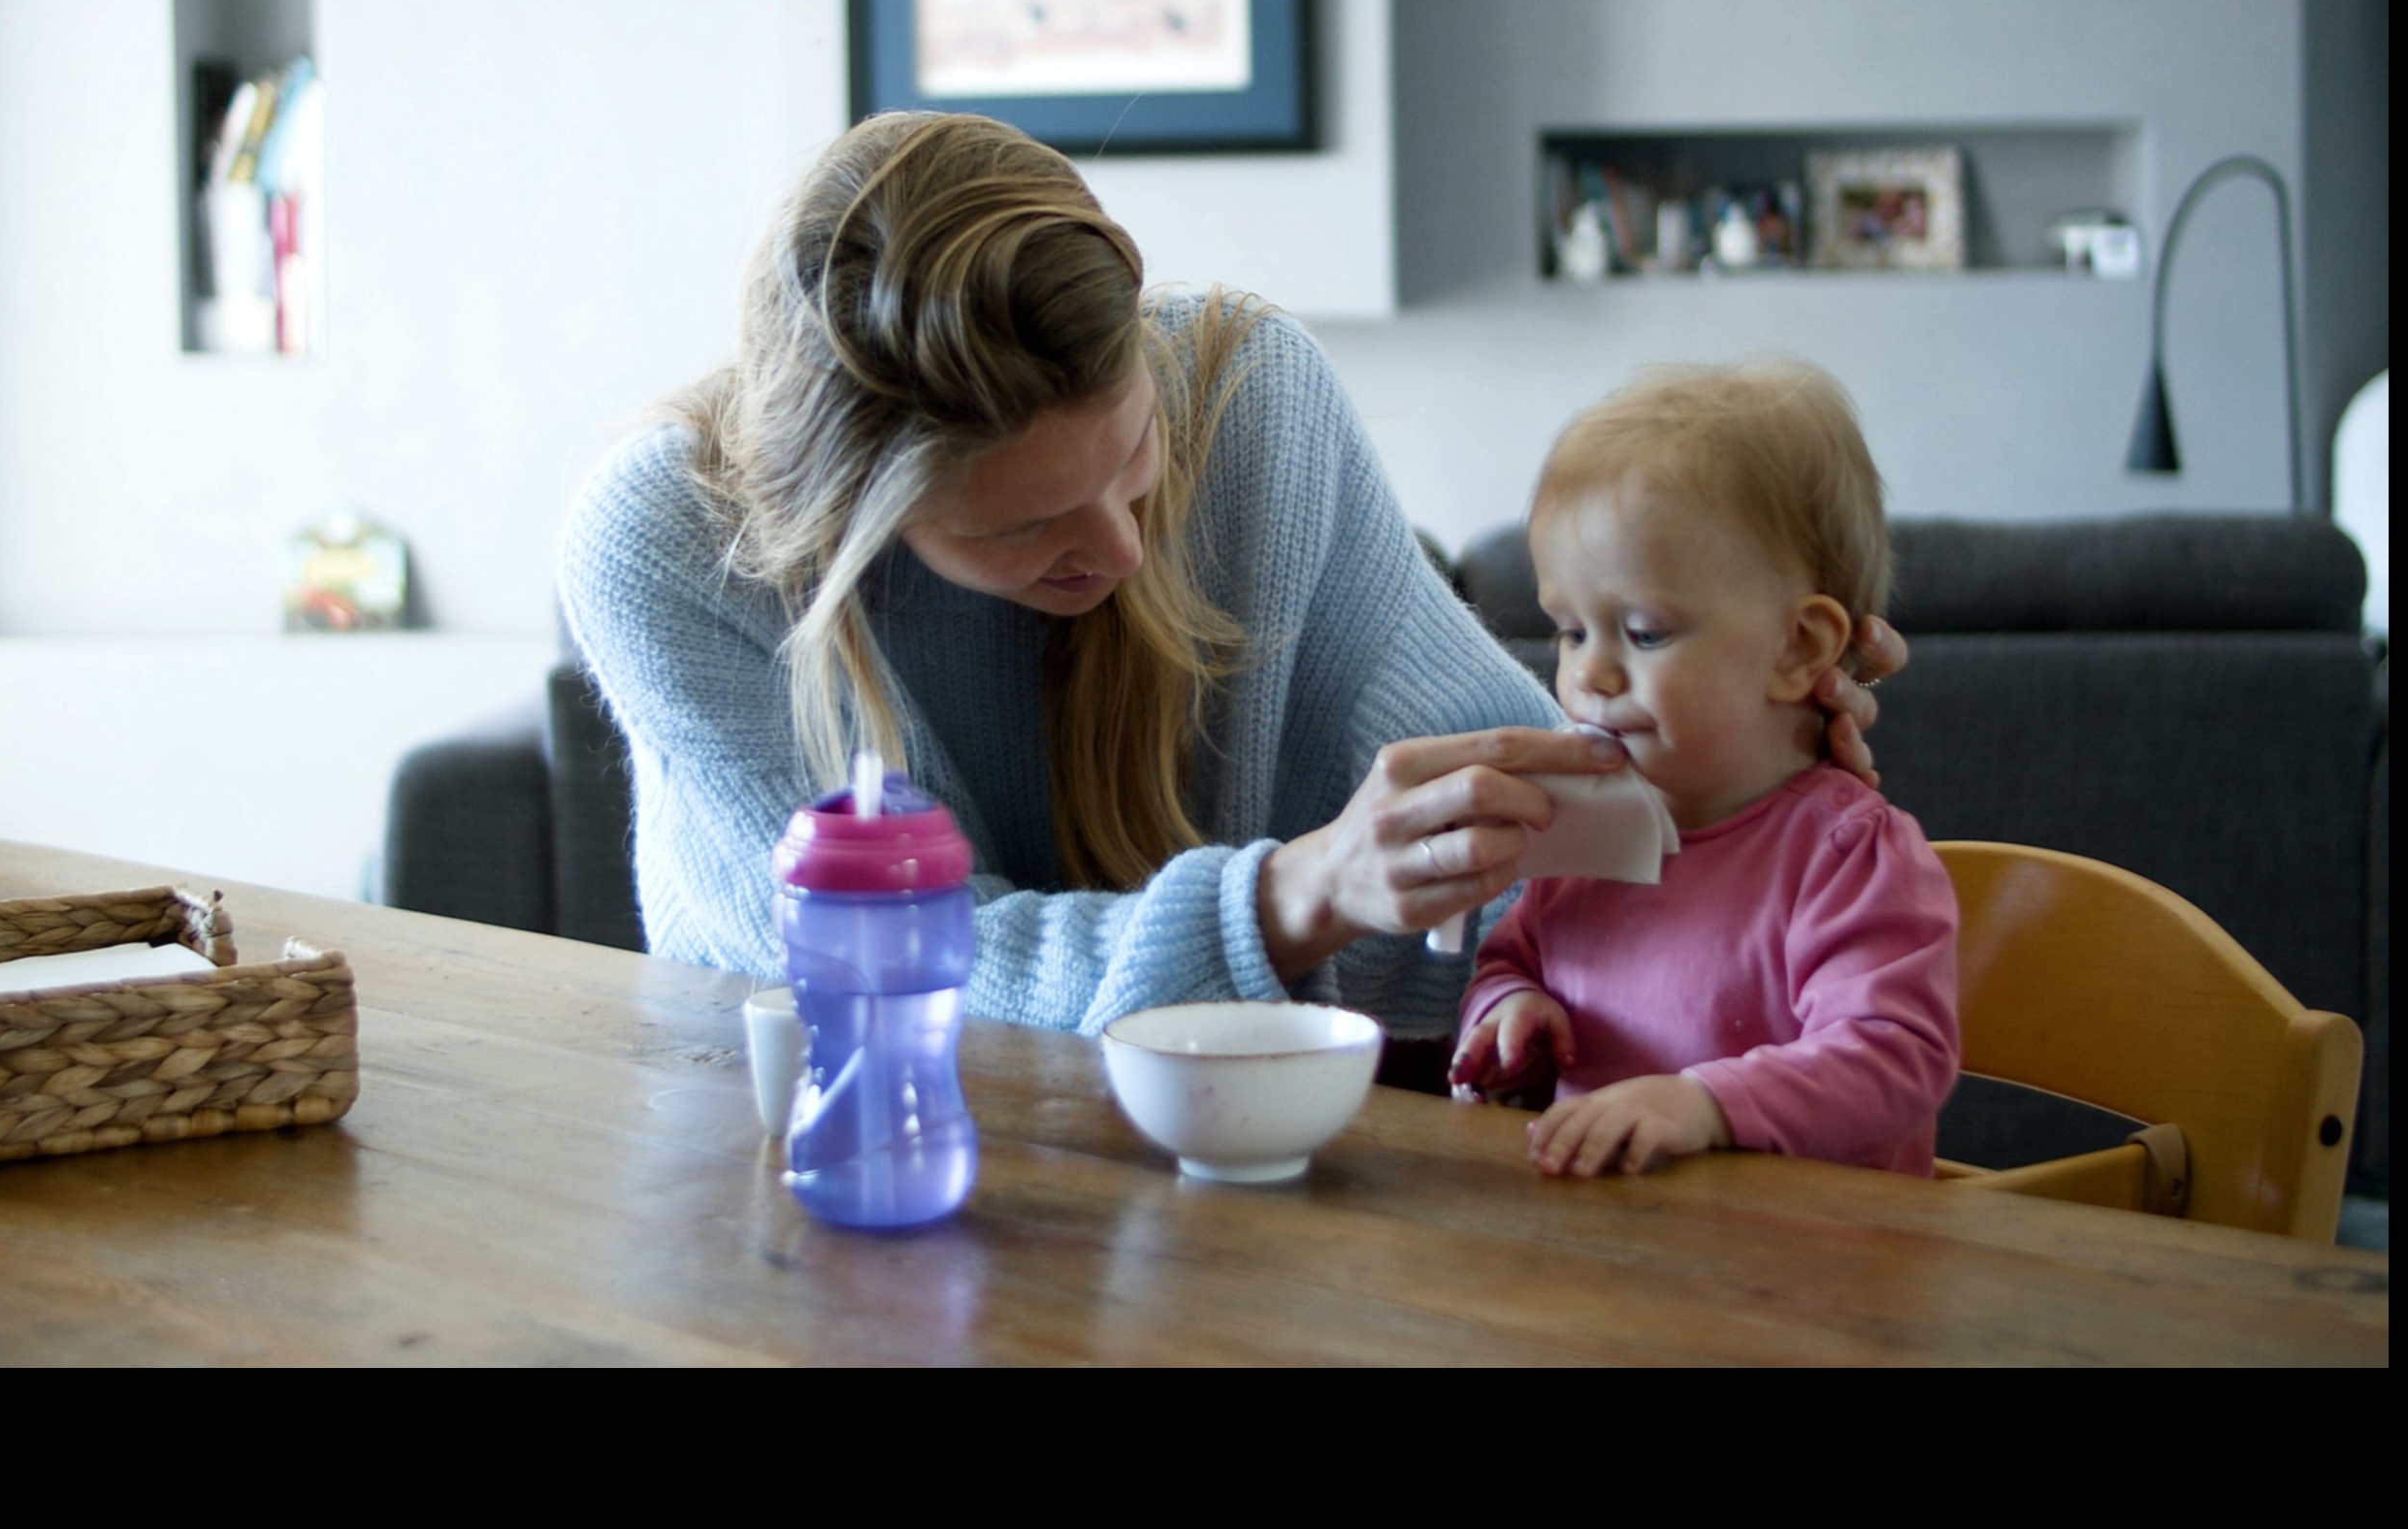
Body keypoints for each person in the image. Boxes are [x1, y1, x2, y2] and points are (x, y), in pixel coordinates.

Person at [559, 112, 1905, 1038]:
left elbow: (1534, 855)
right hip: (827, 1171)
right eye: (1021, 530)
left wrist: (1739, 766)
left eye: (1133, 458)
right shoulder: (671, 546)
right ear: (849, 509)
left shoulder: (1241, 394)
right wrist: (1285, 900)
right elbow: (900, 976)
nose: (1123, 549)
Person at [1449, 361, 1959, 1177]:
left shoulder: (1848, 854)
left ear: (1799, 648)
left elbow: (1896, 1059)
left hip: (1808, 1277)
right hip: (1612, 1264)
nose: (1592, 678)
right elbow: (1511, 957)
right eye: (1572, 632)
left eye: (1645, 633)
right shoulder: (1583, 832)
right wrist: (1511, 1011)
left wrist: (1703, 1103)